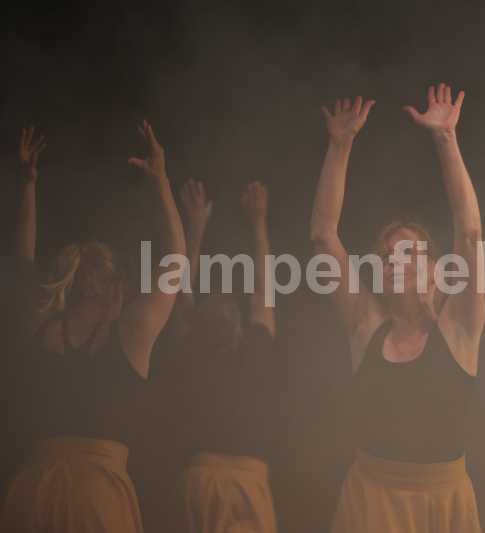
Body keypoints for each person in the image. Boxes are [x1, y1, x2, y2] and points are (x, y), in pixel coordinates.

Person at [311, 83, 485, 533]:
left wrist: (445, 139)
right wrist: (339, 146)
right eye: (387, 257)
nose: (394, 263)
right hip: (371, 499)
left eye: (408, 253)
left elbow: (469, 233)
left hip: (443, 504)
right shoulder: (365, 325)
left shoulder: (459, 328)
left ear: (437, 271)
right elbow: (324, 238)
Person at [1, 122, 186, 533]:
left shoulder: (43, 324)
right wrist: (160, 180)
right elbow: (176, 260)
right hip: (97, 496)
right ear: (107, 286)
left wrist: (27, 186)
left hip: (35, 491)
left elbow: (22, 262)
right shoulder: (131, 332)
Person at [167, 178, 282, 533]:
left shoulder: (242, 348)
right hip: (219, 483)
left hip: (228, 483)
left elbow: (185, 292)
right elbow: (260, 289)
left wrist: (198, 226)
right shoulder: (198, 347)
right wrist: (257, 222)